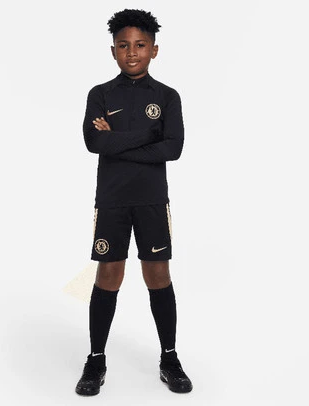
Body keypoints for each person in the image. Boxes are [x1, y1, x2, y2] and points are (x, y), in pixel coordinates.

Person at [75, 9, 192, 396]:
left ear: (154, 50)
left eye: (140, 45)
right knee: (108, 275)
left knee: (158, 275)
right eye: (123, 45)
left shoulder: (167, 97)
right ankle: (95, 360)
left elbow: (173, 149)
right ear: (113, 50)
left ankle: (169, 358)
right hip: (111, 200)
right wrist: (150, 135)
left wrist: (117, 142)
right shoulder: (100, 95)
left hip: (152, 201)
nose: (131, 52)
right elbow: (94, 142)